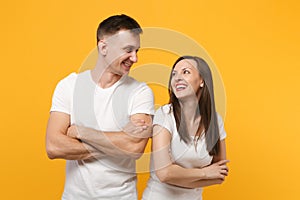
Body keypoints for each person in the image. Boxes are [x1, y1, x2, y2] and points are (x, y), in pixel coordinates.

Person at [46, 14, 154, 199]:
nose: (135, 58)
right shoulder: (69, 86)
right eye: (128, 50)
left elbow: (134, 148)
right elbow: (54, 146)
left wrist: (81, 132)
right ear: (103, 47)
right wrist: (116, 145)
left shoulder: (140, 92)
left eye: (137, 50)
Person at [142, 56, 229, 200]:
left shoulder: (215, 120)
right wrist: (204, 173)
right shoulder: (164, 115)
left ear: (202, 80)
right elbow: (164, 173)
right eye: (174, 74)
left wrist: (177, 174)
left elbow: (220, 174)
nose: (177, 78)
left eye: (186, 72)